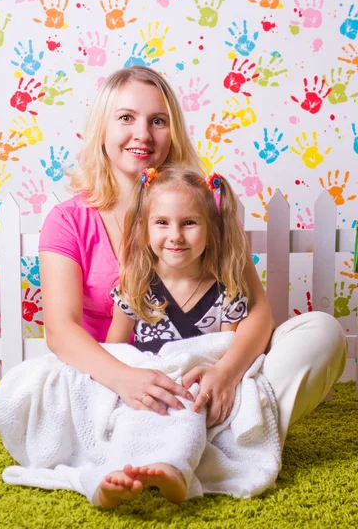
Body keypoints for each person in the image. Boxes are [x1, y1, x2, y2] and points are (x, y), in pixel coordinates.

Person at [36, 66, 345, 493]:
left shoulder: (207, 208)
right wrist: (126, 379)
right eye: (126, 118)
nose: (142, 133)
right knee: (40, 382)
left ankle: (212, 440)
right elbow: (61, 331)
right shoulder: (67, 221)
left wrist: (225, 373)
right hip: (116, 382)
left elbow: (256, 312)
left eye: (157, 121)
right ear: (102, 129)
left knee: (322, 332)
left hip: (208, 383)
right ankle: (193, 452)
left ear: (173, 131)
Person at [99, 165, 251, 506]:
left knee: (189, 413)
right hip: (148, 386)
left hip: (193, 392)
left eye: (190, 223)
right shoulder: (135, 289)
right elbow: (115, 350)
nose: (176, 236)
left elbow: (226, 351)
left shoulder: (226, 292)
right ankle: (113, 474)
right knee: (130, 417)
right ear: (145, 228)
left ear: (211, 229)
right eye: (162, 223)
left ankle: (174, 468)